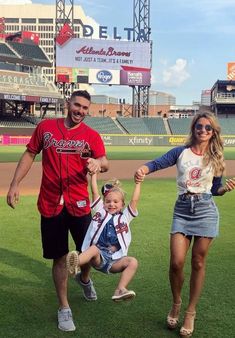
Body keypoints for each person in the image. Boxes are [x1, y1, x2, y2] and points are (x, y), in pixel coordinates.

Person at [6, 90, 109, 332]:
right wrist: (14, 183)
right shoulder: (46, 128)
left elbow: (104, 162)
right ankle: (64, 307)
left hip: (80, 203)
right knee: (59, 256)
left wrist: (98, 163)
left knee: (85, 252)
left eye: (85, 108)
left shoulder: (91, 135)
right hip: (51, 203)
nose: (80, 111)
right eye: (77, 105)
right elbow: (30, 153)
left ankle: (84, 279)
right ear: (67, 104)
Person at [134, 112, 235, 337]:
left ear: (213, 132)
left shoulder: (216, 156)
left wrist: (224, 189)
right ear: (194, 128)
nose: (203, 130)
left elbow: (215, 189)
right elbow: (158, 162)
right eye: (199, 126)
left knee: (198, 262)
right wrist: (144, 168)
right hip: (182, 209)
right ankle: (176, 303)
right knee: (176, 262)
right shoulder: (181, 152)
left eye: (208, 128)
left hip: (206, 210)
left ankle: (190, 312)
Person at [66, 172, 141, 302]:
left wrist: (138, 183)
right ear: (104, 202)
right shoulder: (100, 211)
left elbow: (134, 200)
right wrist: (93, 175)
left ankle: (120, 289)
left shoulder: (125, 217)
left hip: (114, 262)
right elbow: (95, 192)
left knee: (133, 262)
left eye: (115, 202)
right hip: (98, 259)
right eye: (108, 201)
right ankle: (74, 264)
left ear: (122, 204)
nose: (111, 204)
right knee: (94, 248)